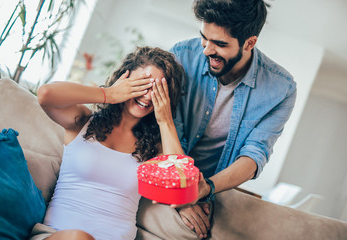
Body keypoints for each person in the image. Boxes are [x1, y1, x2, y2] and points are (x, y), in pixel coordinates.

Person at [136, 0, 297, 239]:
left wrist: (203, 189)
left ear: (249, 43)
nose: (207, 50)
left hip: (209, 186)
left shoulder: (280, 89)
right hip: (159, 169)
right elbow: (157, 125)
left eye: (220, 44)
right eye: (204, 38)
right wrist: (181, 192)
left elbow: (254, 155)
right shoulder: (182, 55)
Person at [32, 46, 186, 240]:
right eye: (142, 84)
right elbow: (46, 94)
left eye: (156, 91)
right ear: (124, 79)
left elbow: (180, 192)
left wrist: (165, 120)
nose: (147, 96)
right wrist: (109, 94)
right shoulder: (83, 122)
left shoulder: (155, 149)